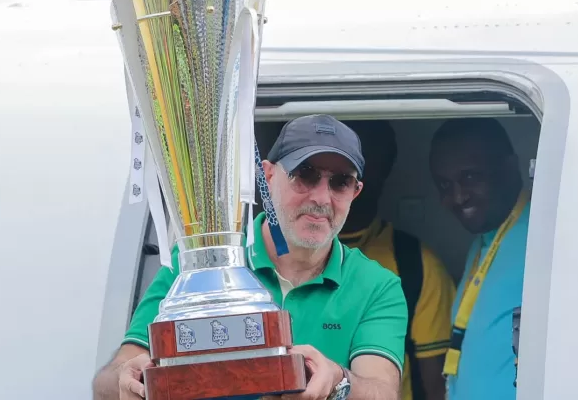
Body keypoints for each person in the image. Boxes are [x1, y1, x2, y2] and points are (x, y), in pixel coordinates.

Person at [92, 114, 409, 400]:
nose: (321, 198)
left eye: (340, 182)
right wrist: (127, 380)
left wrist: (338, 381)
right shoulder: (199, 261)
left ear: (355, 192)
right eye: (306, 174)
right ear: (267, 175)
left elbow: (381, 390)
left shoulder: (378, 286)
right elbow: (108, 382)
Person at [336, 120, 456, 400]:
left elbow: (437, 386)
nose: (356, 171)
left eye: (365, 160)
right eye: (346, 162)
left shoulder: (415, 263)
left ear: (387, 167)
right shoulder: (286, 258)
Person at [427, 118, 530, 400]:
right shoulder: (480, 244)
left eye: (470, 177)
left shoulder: (545, 237)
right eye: (445, 185)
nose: (457, 197)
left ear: (509, 169)